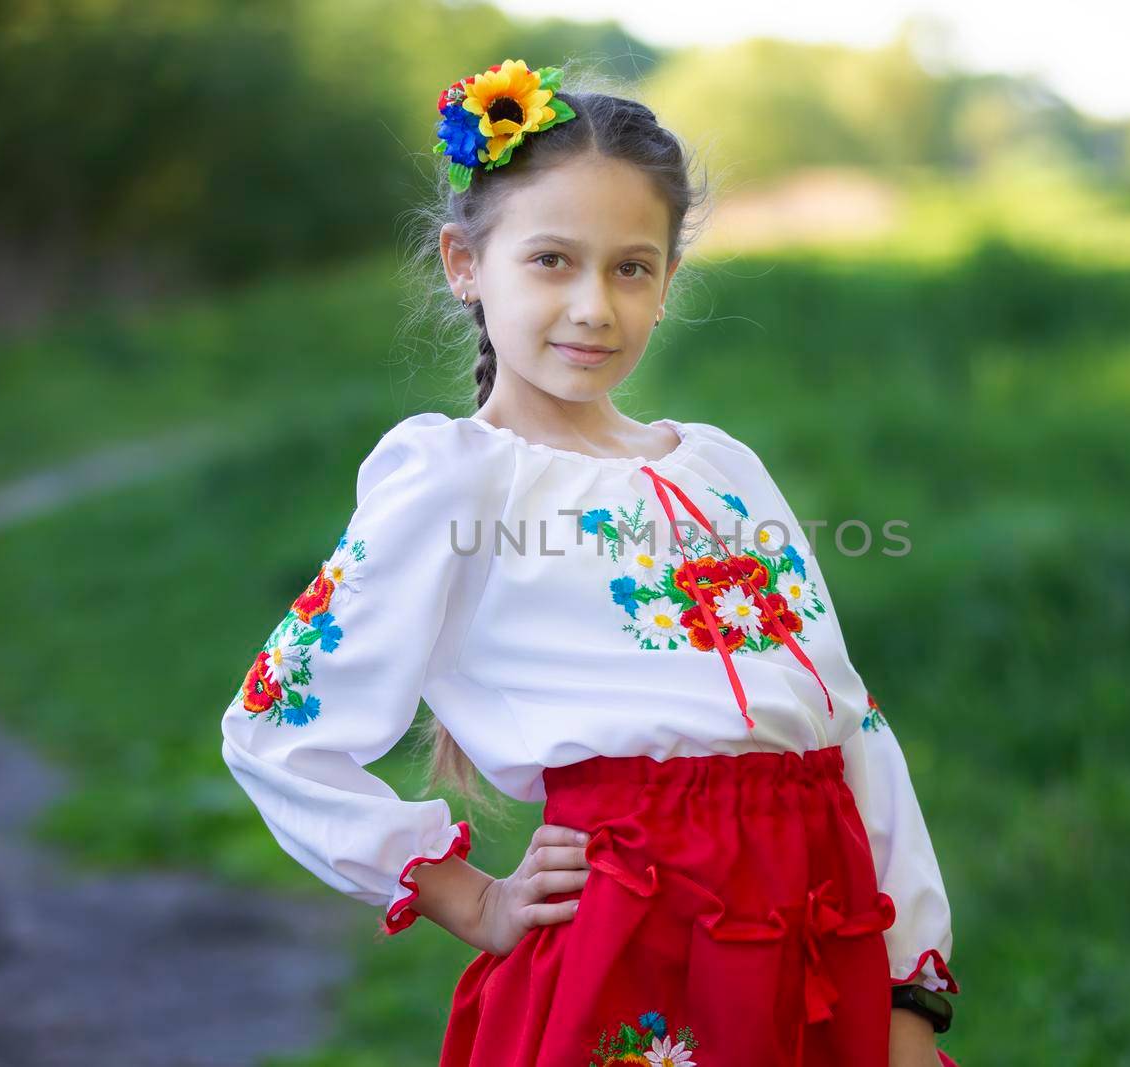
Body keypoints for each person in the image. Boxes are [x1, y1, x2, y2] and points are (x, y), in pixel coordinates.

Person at [219, 58, 960, 1067]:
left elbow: (850, 722)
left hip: (822, 943)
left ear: (666, 280)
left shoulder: (722, 467)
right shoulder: (456, 479)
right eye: (552, 260)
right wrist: (470, 894)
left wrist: (910, 988)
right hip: (634, 948)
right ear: (464, 263)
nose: (593, 307)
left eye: (631, 267)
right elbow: (276, 730)